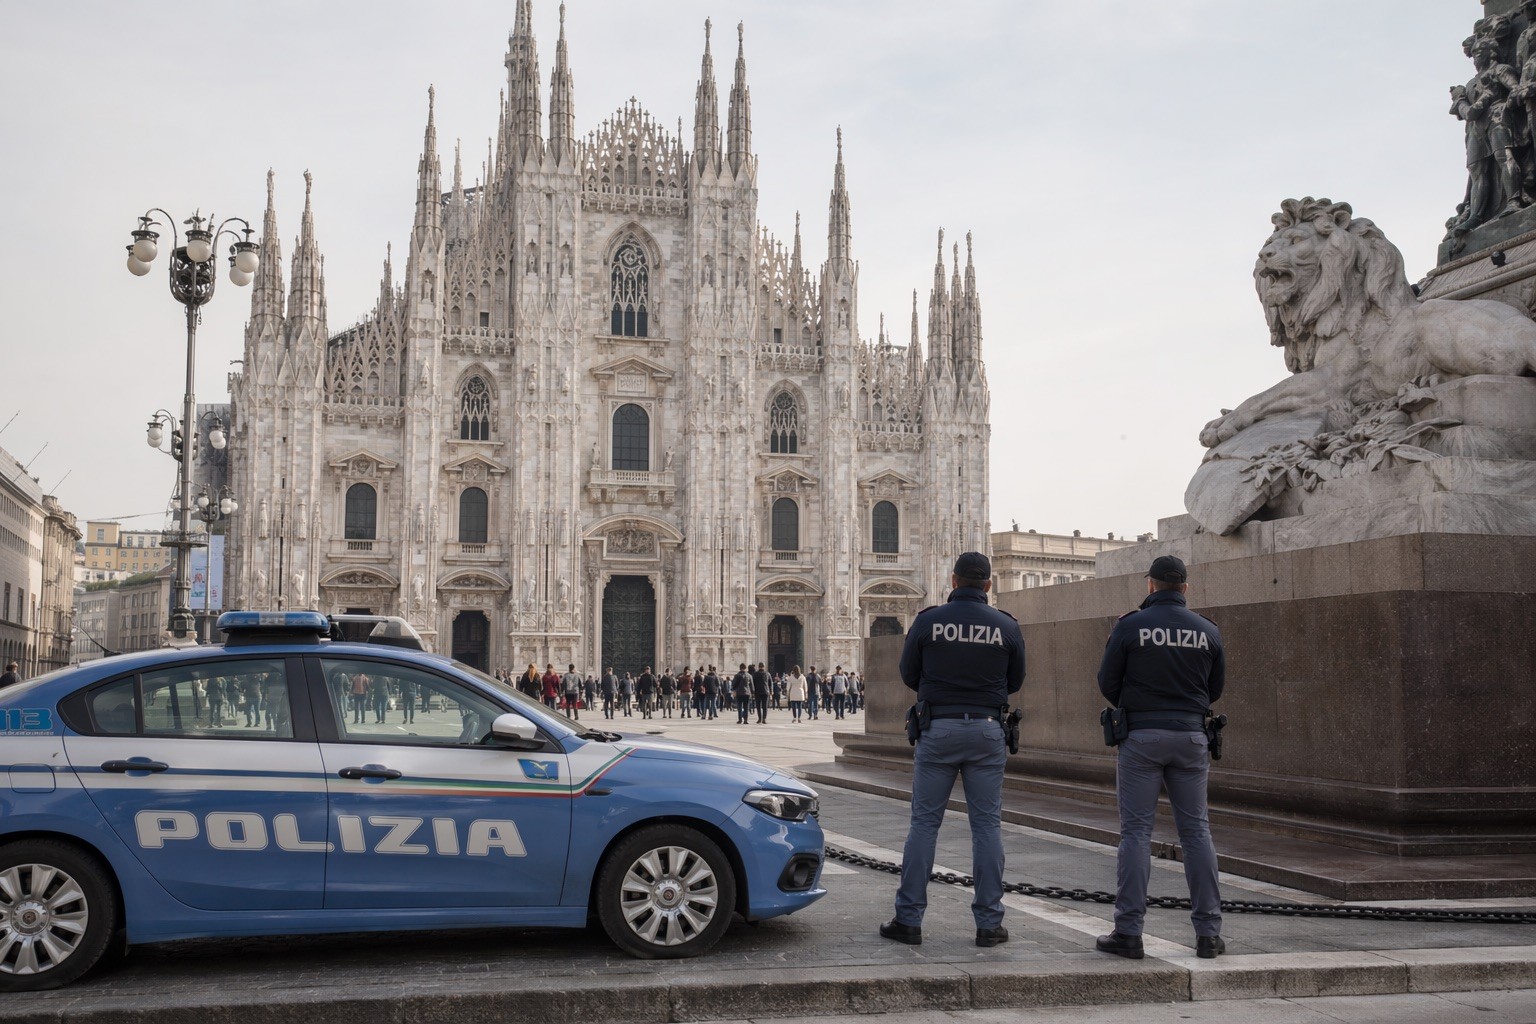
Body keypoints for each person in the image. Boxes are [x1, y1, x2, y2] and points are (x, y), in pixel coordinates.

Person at [881, 551, 1025, 949]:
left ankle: (908, 920)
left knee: (924, 824)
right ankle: (989, 924)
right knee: (987, 826)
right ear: (989, 585)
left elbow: (909, 673)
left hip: (939, 728)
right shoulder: (1005, 626)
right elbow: (1016, 680)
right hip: (987, 729)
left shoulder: (929, 620)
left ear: (953, 580)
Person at [1095, 555, 1227, 961]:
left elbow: (1107, 683)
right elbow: (1216, 688)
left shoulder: (1130, 626)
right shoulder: (1208, 630)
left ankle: (1129, 932)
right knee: (1196, 833)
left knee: (1136, 833)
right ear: (1185, 588)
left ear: (1149, 585)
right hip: (1190, 736)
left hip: (1142, 736)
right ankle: (1208, 934)